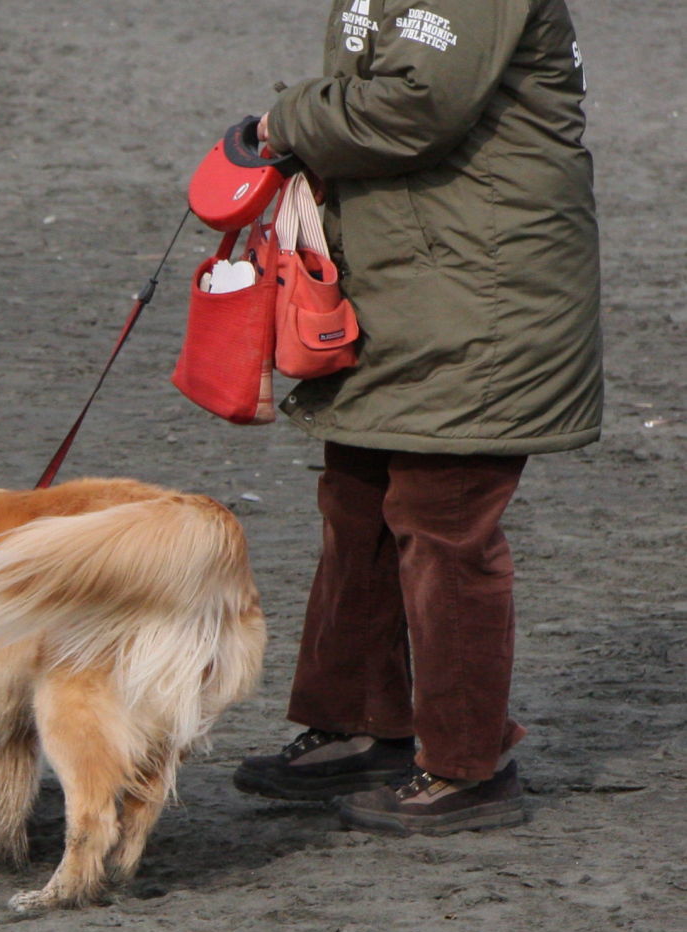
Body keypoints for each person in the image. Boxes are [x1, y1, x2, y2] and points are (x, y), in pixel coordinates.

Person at [230, 0, 603, 834]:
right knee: (358, 497)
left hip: (484, 291)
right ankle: (364, 726)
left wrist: (284, 119)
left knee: (444, 517)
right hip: (409, 276)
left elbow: (413, 107)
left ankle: (467, 765)